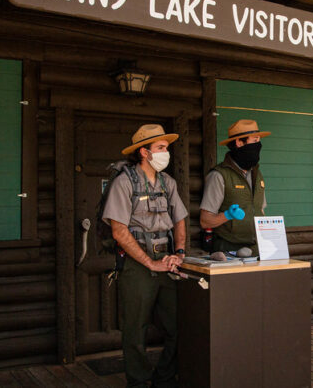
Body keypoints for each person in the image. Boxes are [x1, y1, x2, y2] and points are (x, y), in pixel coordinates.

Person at [102, 124, 188, 388]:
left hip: (168, 263)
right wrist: (149, 262)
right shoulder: (124, 182)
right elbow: (118, 230)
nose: (166, 153)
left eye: (166, 148)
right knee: (135, 330)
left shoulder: (168, 182)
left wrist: (180, 253)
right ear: (144, 152)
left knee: (178, 326)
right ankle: (138, 382)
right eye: (160, 148)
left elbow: (180, 221)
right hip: (137, 265)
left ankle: (164, 378)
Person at [199, 119, 270, 256]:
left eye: (259, 141)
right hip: (227, 251)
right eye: (255, 141)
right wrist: (227, 215)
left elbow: (261, 210)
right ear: (239, 143)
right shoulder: (219, 175)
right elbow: (205, 220)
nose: (259, 145)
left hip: (256, 250)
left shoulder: (257, 174)